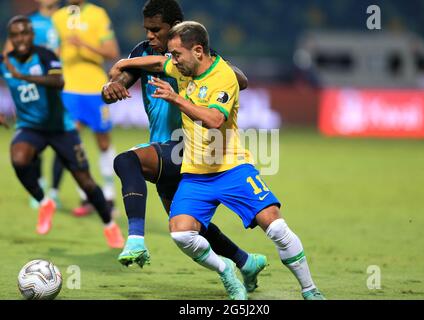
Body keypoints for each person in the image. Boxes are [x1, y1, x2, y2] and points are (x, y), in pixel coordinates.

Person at [110, 21, 326, 300]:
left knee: (276, 227)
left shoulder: (223, 76)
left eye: (176, 54)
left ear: (198, 51)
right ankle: (225, 268)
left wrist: (176, 99)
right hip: (196, 174)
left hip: (231, 169)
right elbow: (156, 63)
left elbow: (214, 119)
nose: (171, 60)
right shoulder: (181, 66)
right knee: (180, 234)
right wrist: (123, 63)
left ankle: (310, 290)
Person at [102, 0, 267, 295]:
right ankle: (246, 261)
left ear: (174, 28)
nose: (151, 35)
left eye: (157, 30)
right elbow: (119, 83)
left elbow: (240, 80)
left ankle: (136, 239)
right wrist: (109, 88)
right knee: (188, 226)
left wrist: (215, 65)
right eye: (147, 30)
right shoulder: (142, 52)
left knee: (127, 161)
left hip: (187, 147)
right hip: (164, 146)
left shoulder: (193, 53)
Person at [0, 15, 124, 249]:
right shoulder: (5, 62)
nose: (21, 39)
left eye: (24, 33)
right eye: (15, 35)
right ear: (10, 38)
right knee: (18, 159)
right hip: (30, 127)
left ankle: (109, 224)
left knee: (86, 182)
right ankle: (44, 201)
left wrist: (23, 76)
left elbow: (58, 83)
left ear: (32, 35)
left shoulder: (45, 56)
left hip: (61, 129)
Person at [52, 0, 119, 216]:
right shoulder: (58, 17)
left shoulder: (97, 14)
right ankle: (87, 196)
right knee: (72, 142)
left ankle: (109, 196)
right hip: (68, 89)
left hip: (95, 89)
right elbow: (51, 51)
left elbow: (112, 51)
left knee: (103, 142)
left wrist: (83, 45)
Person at [3, 0, 63, 210]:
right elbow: (8, 55)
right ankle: (39, 185)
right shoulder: (30, 22)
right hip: (34, 89)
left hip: (60, 87)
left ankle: (54, 191)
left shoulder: (66, 20)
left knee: (62, 141)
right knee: (33, 142)